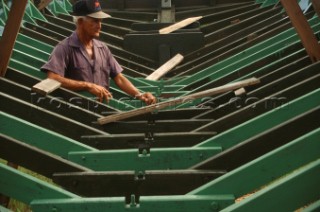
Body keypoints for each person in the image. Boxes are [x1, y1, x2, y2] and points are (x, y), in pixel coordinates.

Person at [41, 0, 156, 105]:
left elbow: (119, 78)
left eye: (100, 21)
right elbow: (53, 78)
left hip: (104, 109)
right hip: (78, 111)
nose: (99, 26)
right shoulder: (64, 48)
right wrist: (87, 86)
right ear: (80, 22)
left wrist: (140, 95)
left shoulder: (103, 49)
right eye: (95, 21)